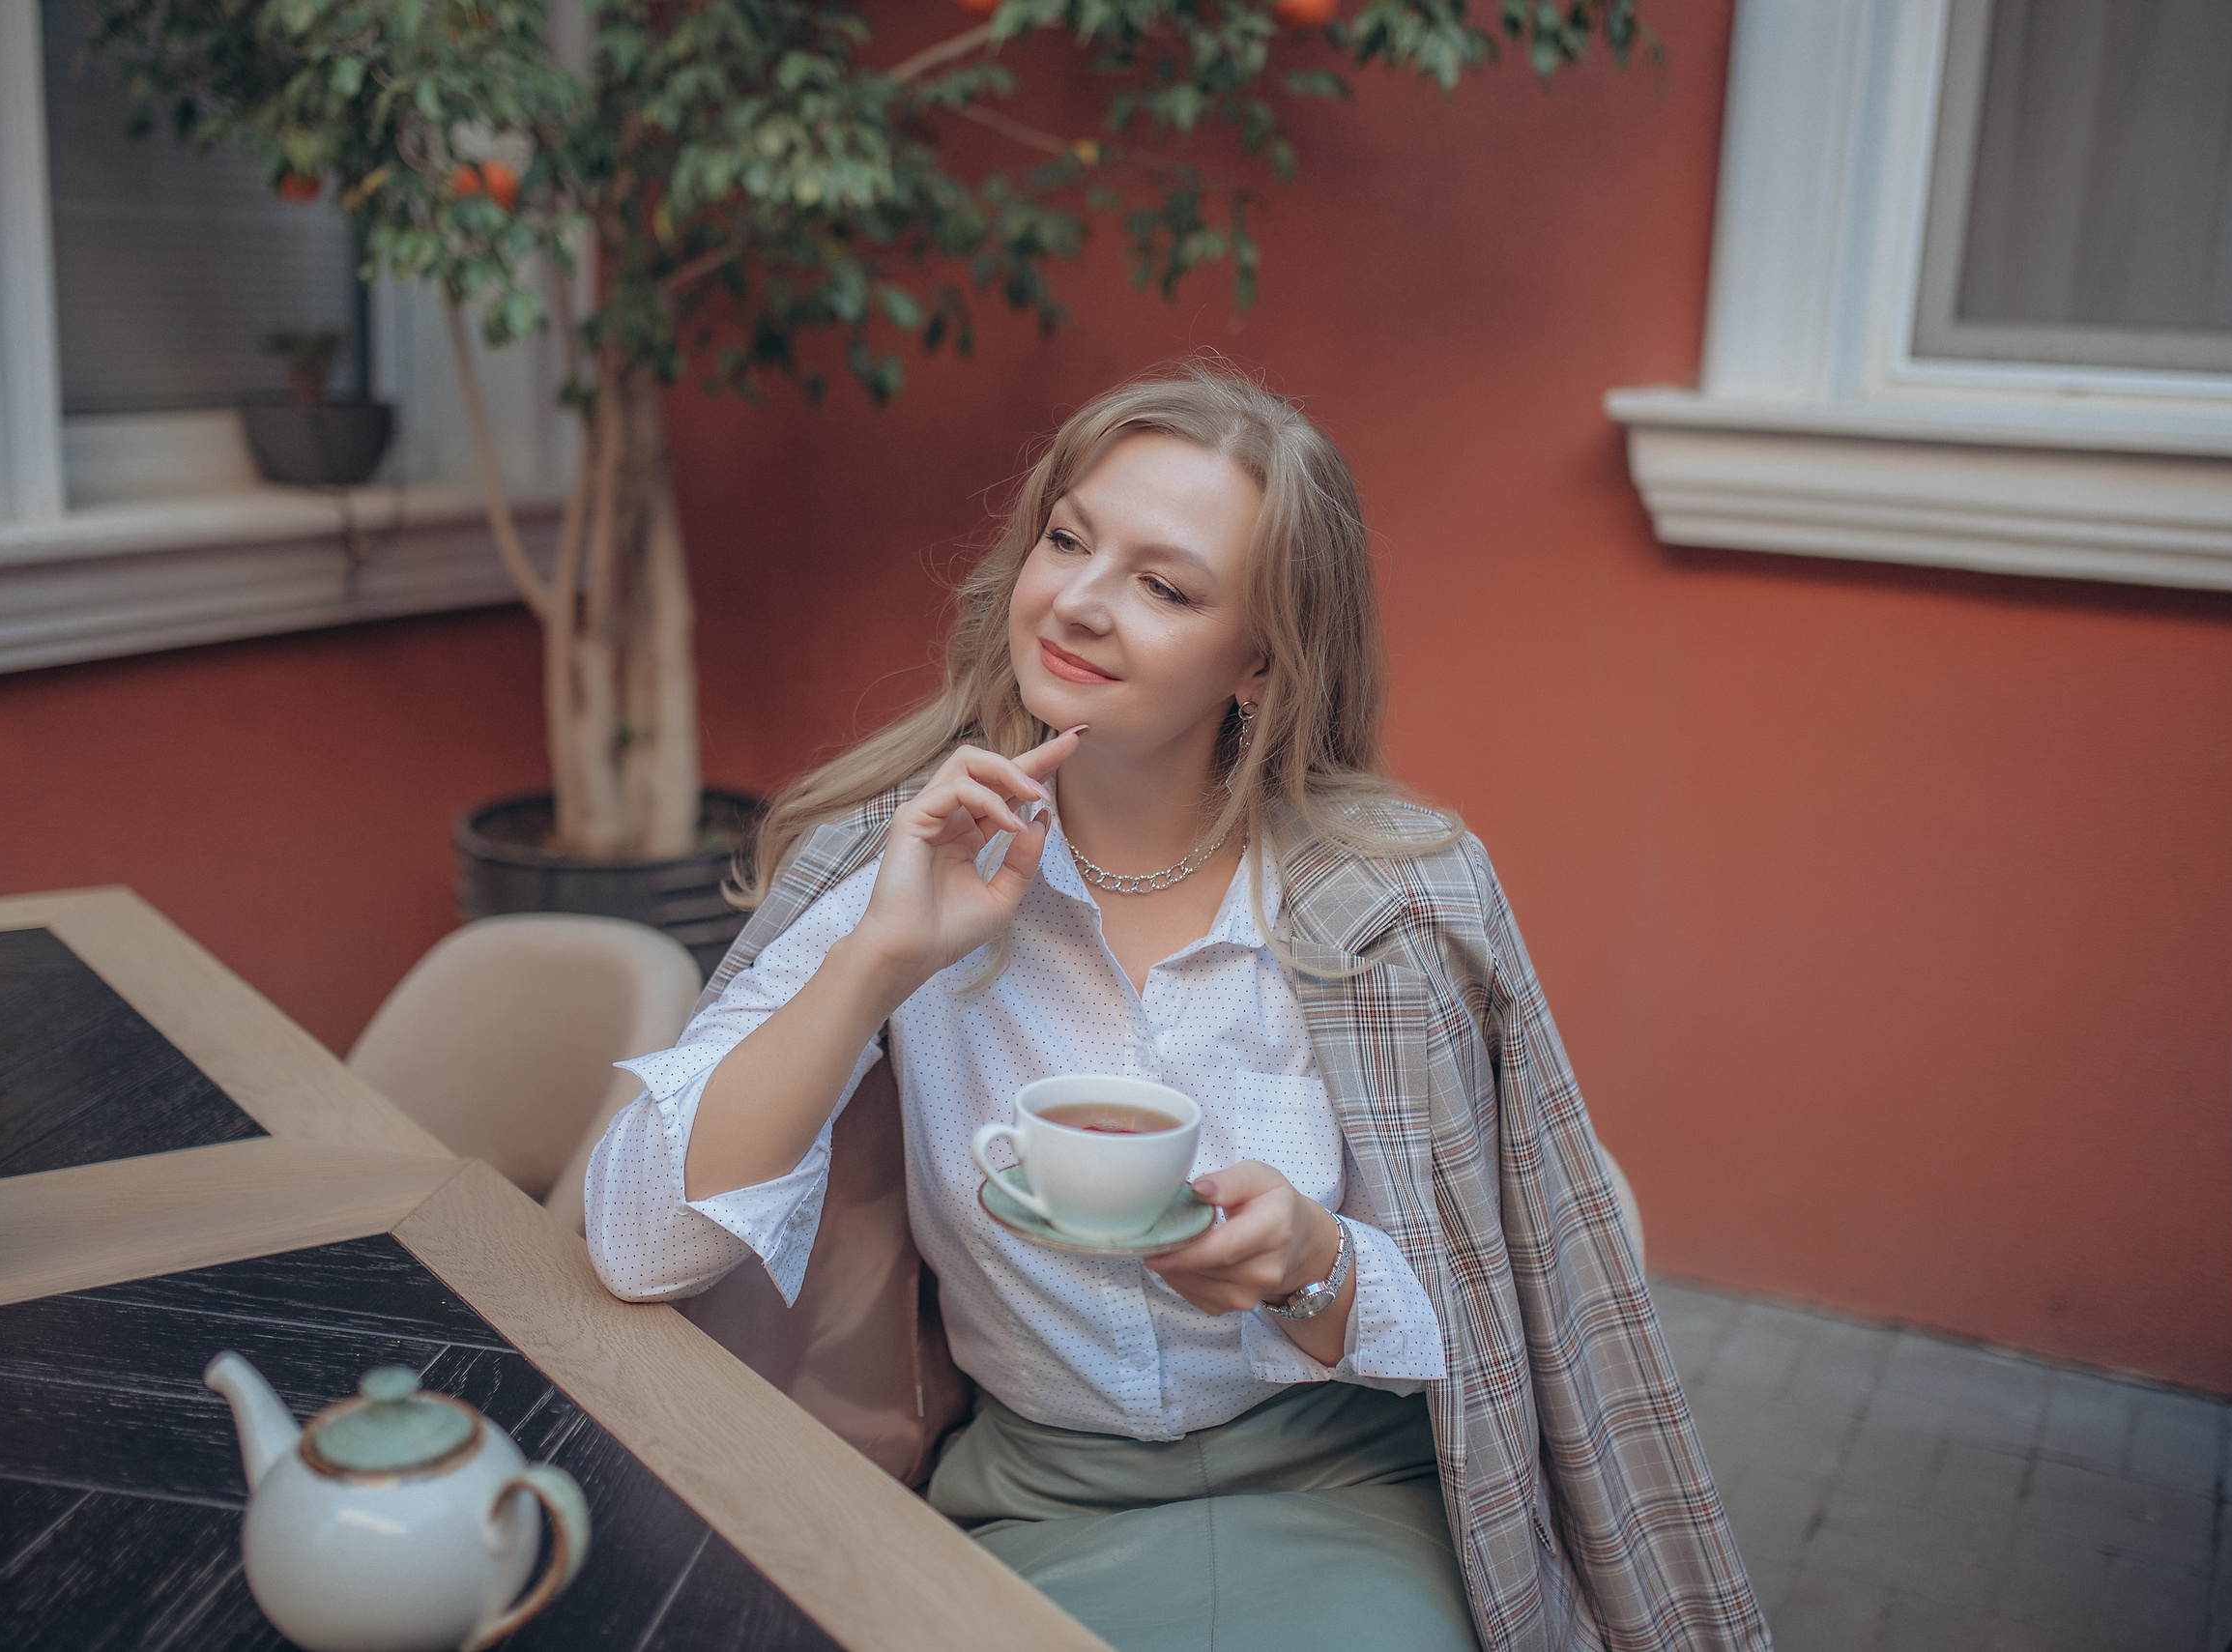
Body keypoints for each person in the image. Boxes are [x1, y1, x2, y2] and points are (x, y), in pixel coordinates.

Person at [583, 362, 1768, 1652]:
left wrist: (1314, 1266)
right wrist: (876, 958)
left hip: (1351, 1488)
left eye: (1164, 584)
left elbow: (1498, 1313)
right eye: (1069, 539)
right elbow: (640, 1240)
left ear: (1259, 654)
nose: (1080, 602)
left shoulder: (1395, 902)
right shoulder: (901, 859)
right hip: (1034, 1500)